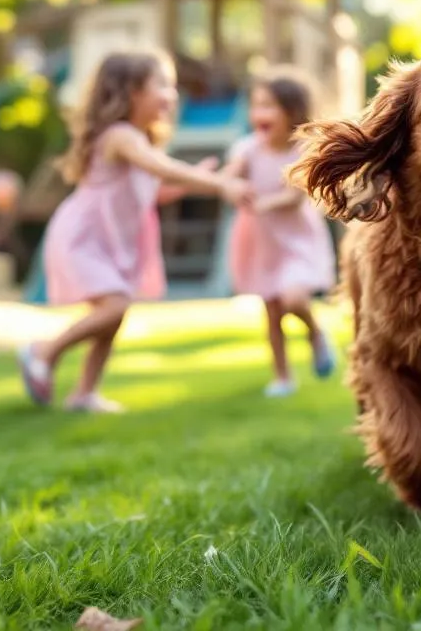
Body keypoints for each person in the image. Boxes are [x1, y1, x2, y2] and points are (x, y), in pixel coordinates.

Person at [17, 50, 232, 413]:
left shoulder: (138, 140)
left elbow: (155, 191)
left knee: (114, 316)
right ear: (131, 91)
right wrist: (215, 185)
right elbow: (160, 169)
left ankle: (84, 392)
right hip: (83, 238)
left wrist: (202, 181)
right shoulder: (120, 136)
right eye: (163, 84)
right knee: (115, 306)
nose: (173, 94)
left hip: (108, 241)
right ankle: (43, 351)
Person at [222, 66, 337, 397]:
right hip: (260, 242)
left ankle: (315, 332)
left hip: (295, 239)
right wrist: (230, 186)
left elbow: (292, 197)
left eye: (270, 105)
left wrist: (264, 204)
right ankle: (283, 376)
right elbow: (231, 175)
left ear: (293, 111)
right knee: (272, 312)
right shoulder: (247, 149)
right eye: (256, 105)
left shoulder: (301, 151)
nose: (260, 113)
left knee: (293, 298)